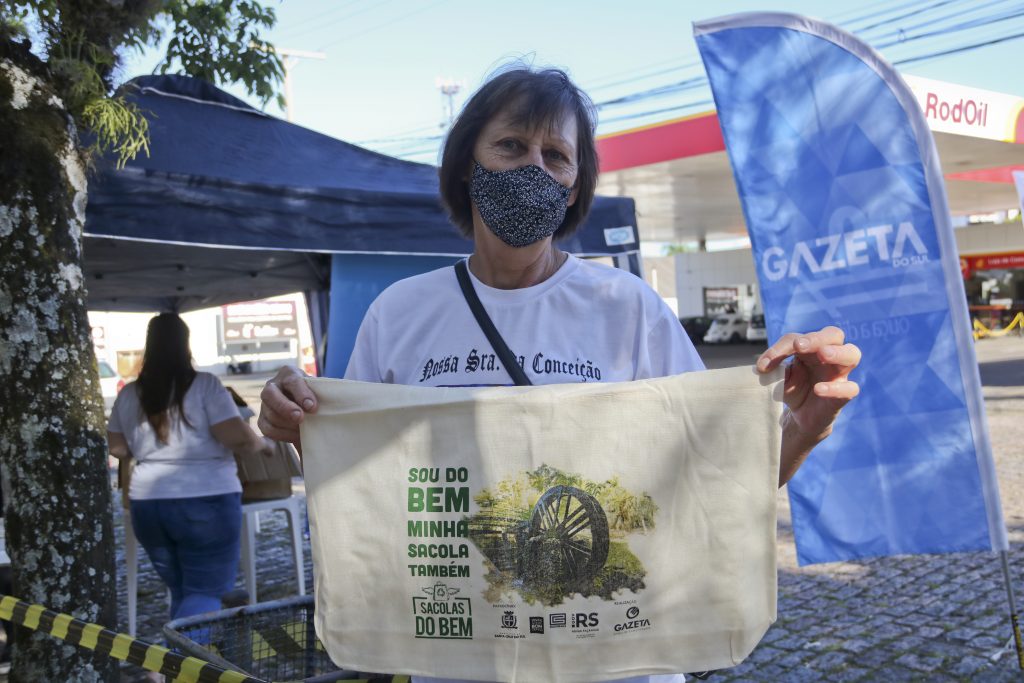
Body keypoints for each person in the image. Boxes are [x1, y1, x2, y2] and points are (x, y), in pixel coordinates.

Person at [258, 66, 861, 683]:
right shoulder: (400, 314)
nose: (533, 168)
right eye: (511, 145)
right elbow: (363, 490)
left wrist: (803, 428)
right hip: (463, 662)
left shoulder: (628, 308)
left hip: (620, 665)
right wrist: (301, 427)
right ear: (467, 165)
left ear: (574, 188)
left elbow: (716, 481)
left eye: (555, 155)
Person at [107, 313, 273, 621]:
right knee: (206, 592)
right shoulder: (205, 385)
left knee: (184, 591)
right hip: (206, 499)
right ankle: (171, 654)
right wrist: (264, 445)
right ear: (185, 345)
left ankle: (186, 650)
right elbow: (237, 437)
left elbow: (117, 449)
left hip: (147, 503)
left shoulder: (129, 393)